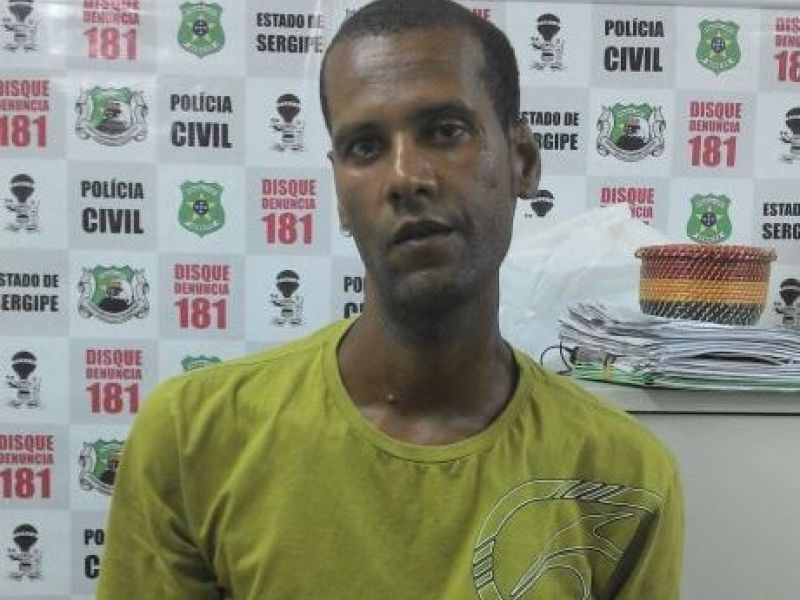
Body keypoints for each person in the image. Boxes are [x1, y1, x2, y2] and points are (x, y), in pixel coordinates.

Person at [98, 1, 684, 598]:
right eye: (365, 147)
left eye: (446, 131)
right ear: (339, 192)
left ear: (523, 161)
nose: (405, 176)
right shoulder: (194, 437)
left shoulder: (622, 476)